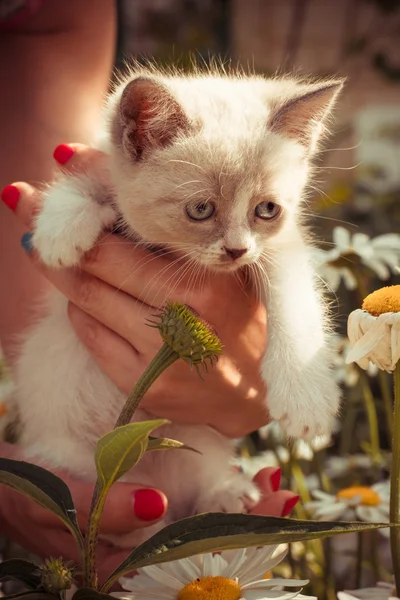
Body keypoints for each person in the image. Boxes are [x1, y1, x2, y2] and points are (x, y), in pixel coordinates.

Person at [0, 0, 299, 581]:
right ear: (139, 136)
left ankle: (205, 492)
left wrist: (267, 362)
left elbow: (30, 289)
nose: (238, 245)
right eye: (202, 207)